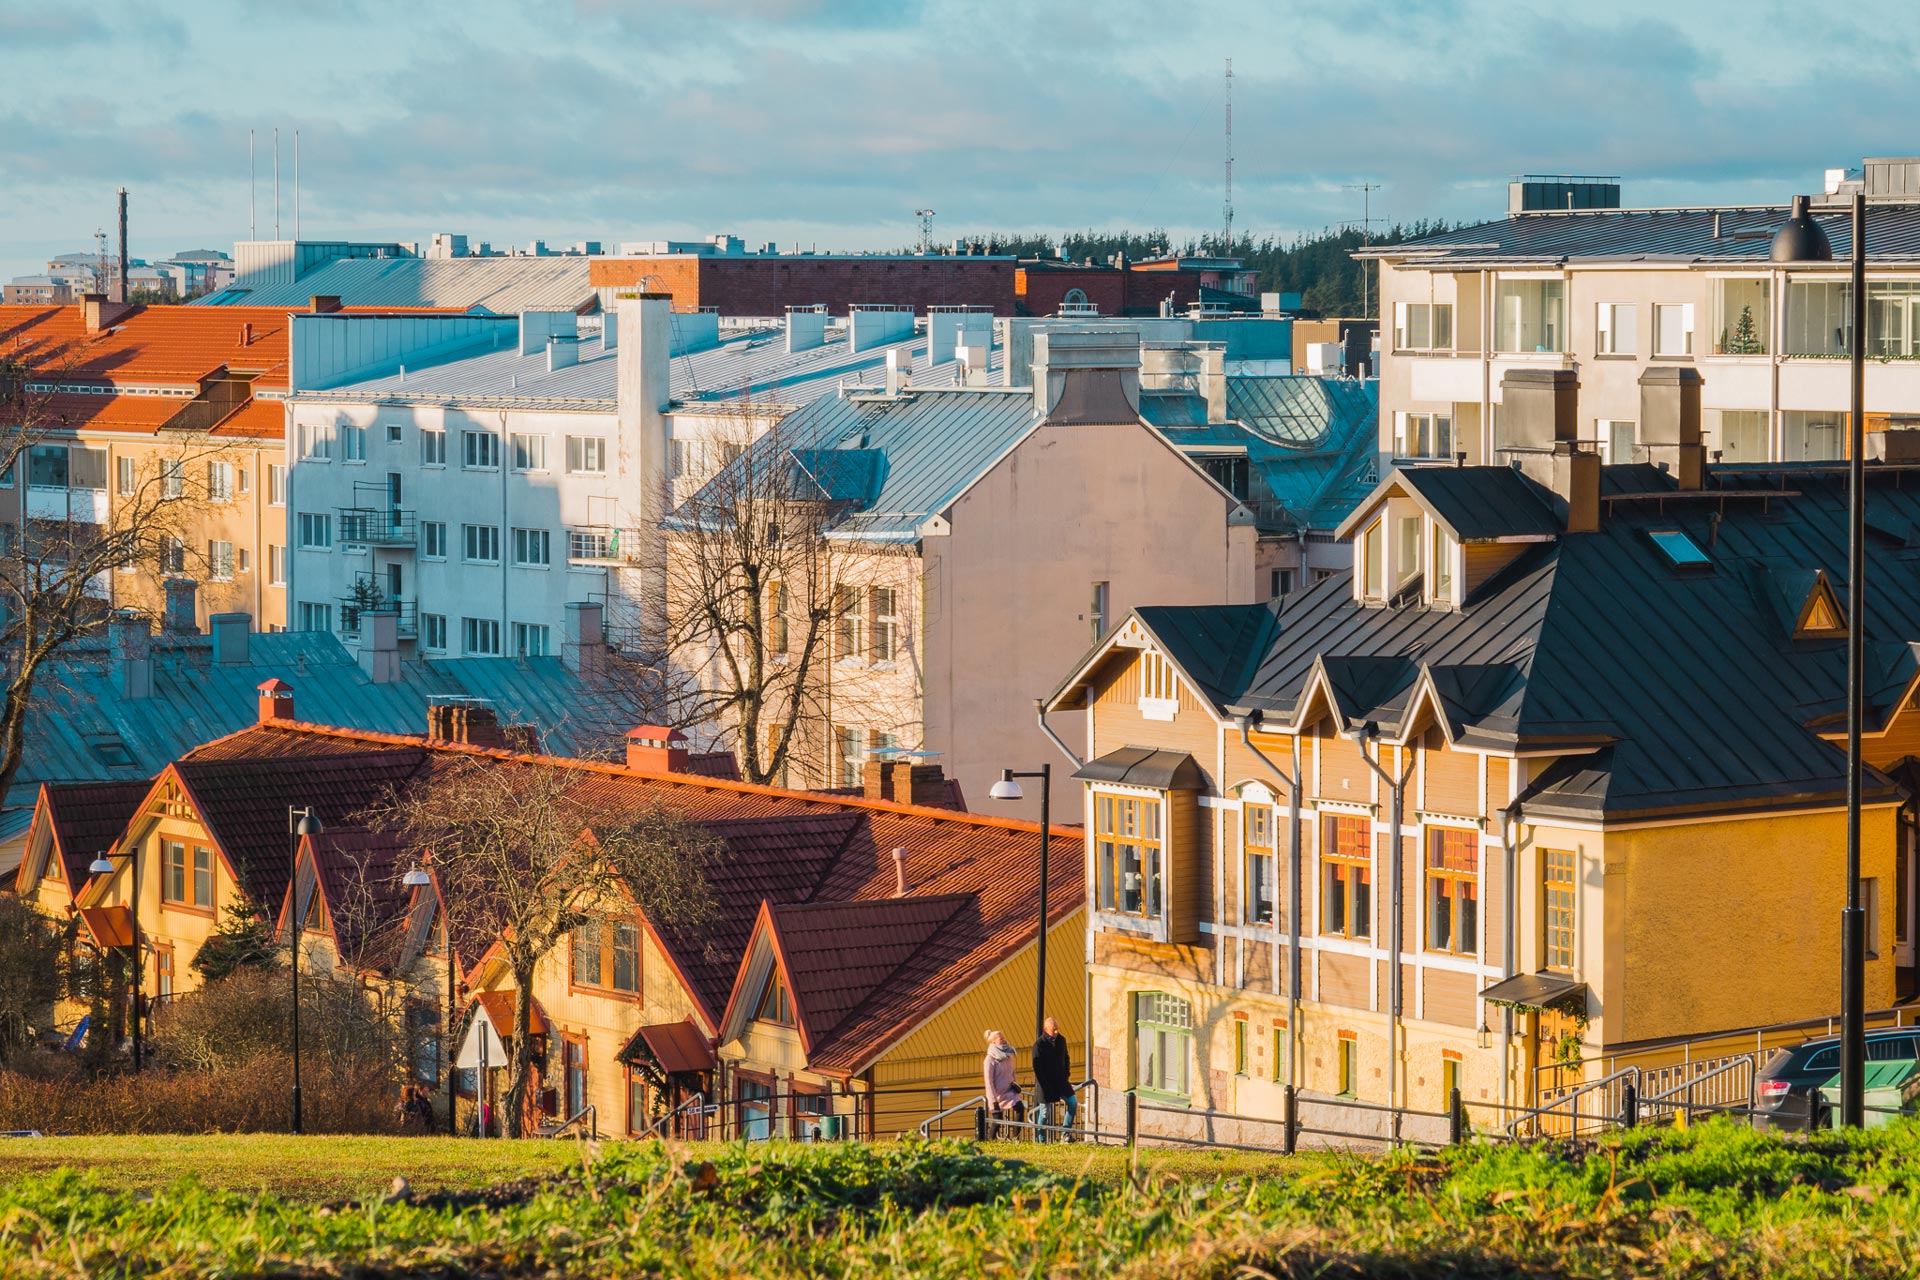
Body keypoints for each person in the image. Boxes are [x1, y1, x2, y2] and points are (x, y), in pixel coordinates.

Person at [1031, 1016, 1076, 1142]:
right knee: (1044, 1113)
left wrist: (1066, 1073)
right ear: (1046, 1029)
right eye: (1053, 1029)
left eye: (1057, 1029)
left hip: (1061, 1081)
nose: (1056, 1032)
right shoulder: (1039, 1045)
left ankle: (1065, 1134)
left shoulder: (1061, 1040)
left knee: (1073, 1103)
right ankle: (1041, 1141)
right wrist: (1045, 1086)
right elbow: (1038, 1069)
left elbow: (1066, 1058)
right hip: (1046, 1085)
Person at [982, 1029, 1023, 1138]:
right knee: (997, 1119)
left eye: (1003, 1037)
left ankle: (1016, 1137)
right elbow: (988, 1081)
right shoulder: (989, 1060)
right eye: (1001, 1039)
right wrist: (993, 1099)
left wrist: (1015, 1084)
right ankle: (990, 1139)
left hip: (1009, 1091)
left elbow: (1012, 1072)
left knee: (1020, 1108)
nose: (1004, 1040)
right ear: (993, 1042)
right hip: (997, 1094)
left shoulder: (1008, 1055)